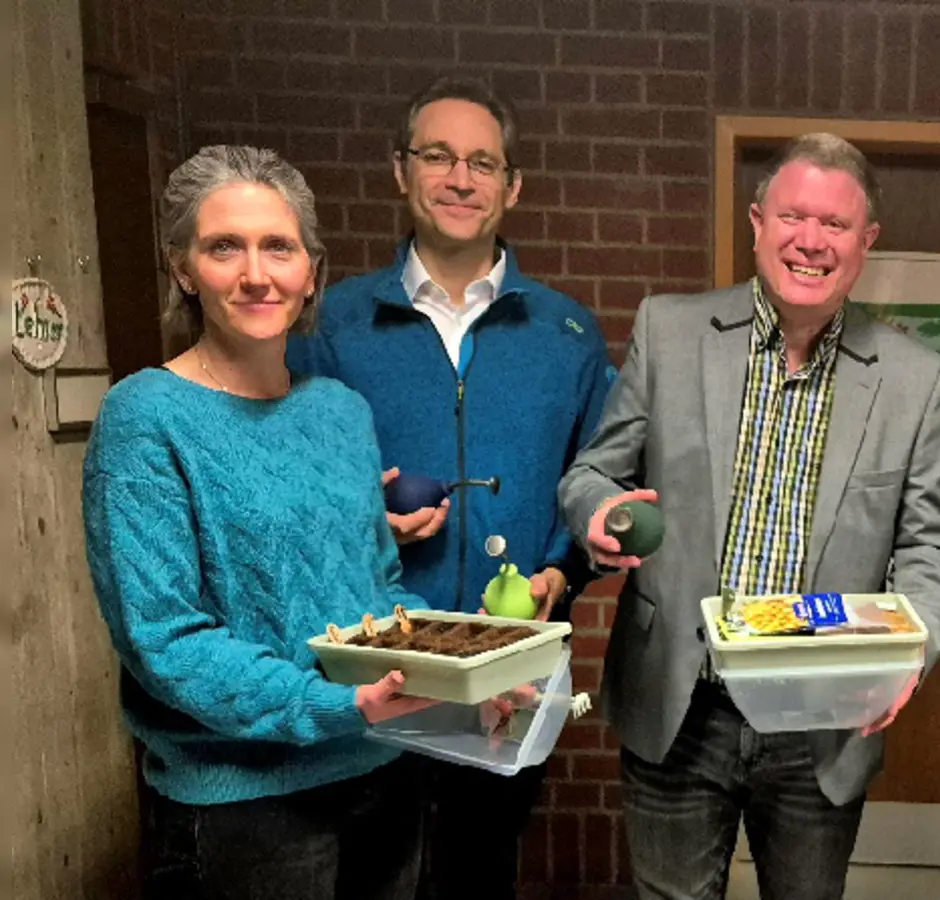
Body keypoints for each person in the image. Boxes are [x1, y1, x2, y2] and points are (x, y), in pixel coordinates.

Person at [557, 132, 940, 900]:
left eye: (835, 225)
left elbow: (929, 546)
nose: (811, 241)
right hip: (681, 703)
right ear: (757, 222)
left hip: (821, 718)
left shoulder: (914, 379)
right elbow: (594, 471)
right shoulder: (670, 333)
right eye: (793, 217)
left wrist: (913, 648)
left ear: (866, 241)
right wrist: (601, 512)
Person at [285, 76, 612, 900]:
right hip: (377, 673)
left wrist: (563, 572)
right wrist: (369, 523)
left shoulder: (566, 334)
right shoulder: (334, 326)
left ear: (512, 185)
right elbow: (292, 491)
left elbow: (601, 482)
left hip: (511, 671)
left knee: (479, 875)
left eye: (482, 162)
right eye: (438, 156)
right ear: (401, 170)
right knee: (370, 877)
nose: (460, 179)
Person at [83, 145, 437, 899]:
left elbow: (378, 588)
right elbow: (166, 638)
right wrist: (332, 704)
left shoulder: (341, 412)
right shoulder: (146, 417)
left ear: (310, 269)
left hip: (380, 770)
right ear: (183, 268)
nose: (255, 273)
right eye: (223, 247)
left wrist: (474, 669)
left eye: (278, 246)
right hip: (247, 810)